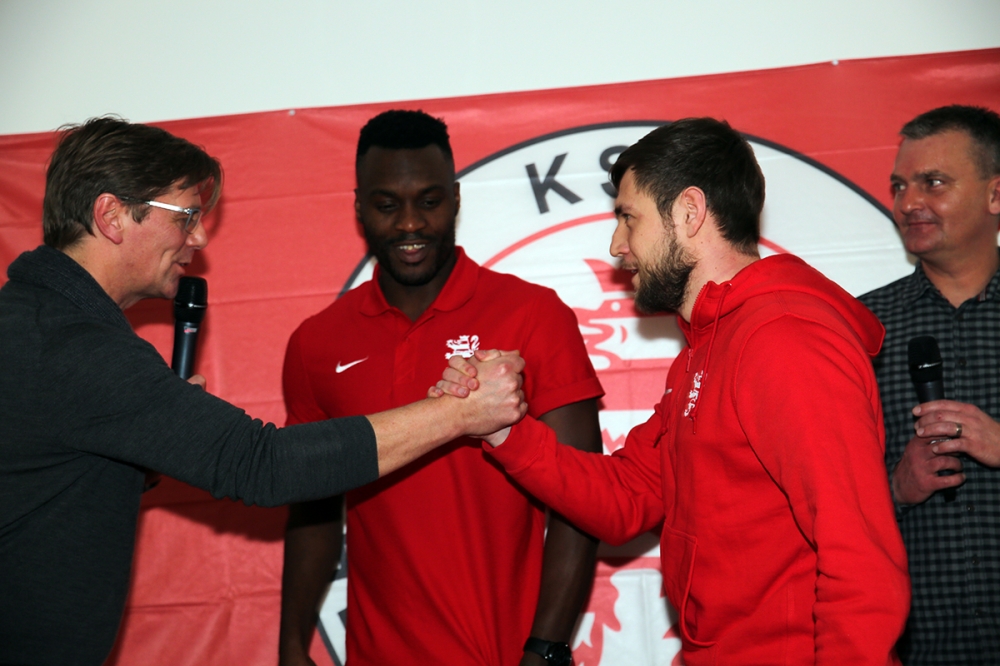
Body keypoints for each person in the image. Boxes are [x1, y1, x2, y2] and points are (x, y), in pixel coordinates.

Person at [0, 116, 527, 666]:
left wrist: (142, 452)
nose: (199, 238)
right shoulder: (74, 345)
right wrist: (459, 413)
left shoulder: (37, 322)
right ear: (111, 215)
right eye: (185, 217)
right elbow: (265, 465)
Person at [439, 117, 911, 664]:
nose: (617, 244)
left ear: (689, 212)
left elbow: (861, 564)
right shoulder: (707, 348)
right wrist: (502, 429)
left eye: (628, 217)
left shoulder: (785, 340)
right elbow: (626, 499)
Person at [278, 110, 603, 666]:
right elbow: (314, 508)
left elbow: (583, 498)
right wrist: (290, 645)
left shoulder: (532, 315)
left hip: (505, 653)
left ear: (454, 199)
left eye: (428, 201)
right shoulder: (316, 343)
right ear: (359, 207)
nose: (410, 223)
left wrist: (544, 650)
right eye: (387, 205)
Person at [858, 105, 1000, 665]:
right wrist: (894, 488)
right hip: (922, 648)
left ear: (995, 194)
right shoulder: (860, 329)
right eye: (899, 186)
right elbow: (824, 502)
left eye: (933, 182)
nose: (908, 202)